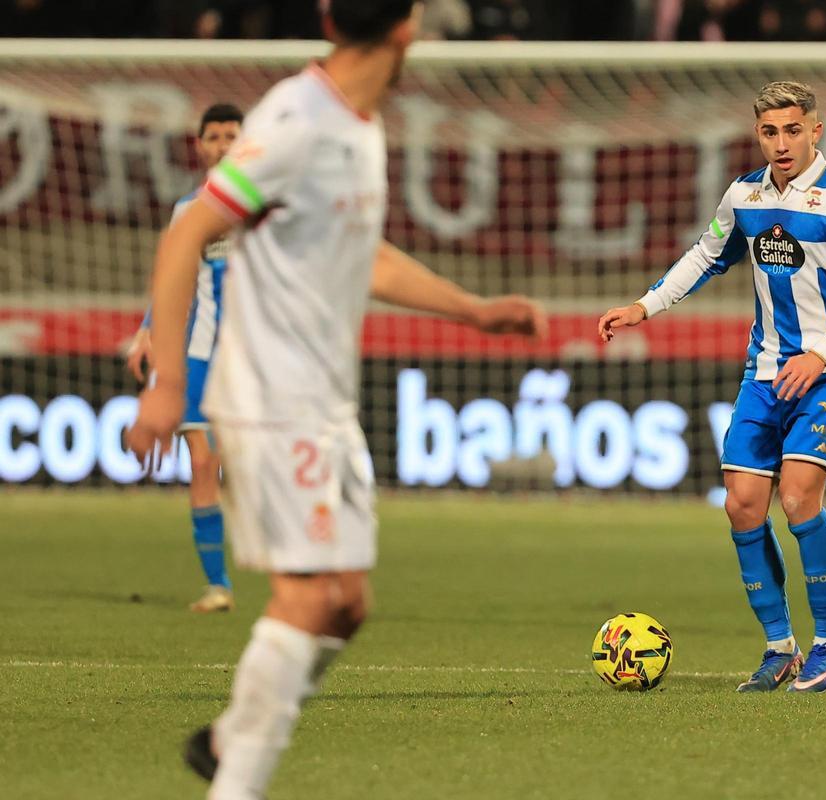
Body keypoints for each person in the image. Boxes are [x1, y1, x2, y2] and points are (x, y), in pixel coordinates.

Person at [127, 1, 547, 796]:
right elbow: (187, 234)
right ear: (406, 29)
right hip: (272, 398)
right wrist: (167, 387)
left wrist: (474, 310)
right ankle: (236, 782)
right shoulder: (296, 116)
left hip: (324, 401)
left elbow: (366, 254)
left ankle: (228, 739)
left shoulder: (359, 124)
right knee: (308, 595)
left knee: (347, 605)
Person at [598, 81, 826, 693]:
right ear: (757, 133)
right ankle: (780, 647)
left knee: (799, 498)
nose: (781, 143)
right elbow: (706, 255)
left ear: (816, 129)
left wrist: (823, 351)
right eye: (768, 132)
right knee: (741, 504)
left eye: (792, 130)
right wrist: (644, 306)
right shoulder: (744, 195)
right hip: (765, 371)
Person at [126, 103, 242, 613]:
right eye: (213, 136)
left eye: (231, 135)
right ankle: (218, 585)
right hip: (200, 353)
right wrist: (149, 330)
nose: (222, 145)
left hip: (256, 357)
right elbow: (174, 281)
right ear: (200, 145)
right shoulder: (187, 211)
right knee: (202, 462)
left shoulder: (267, 206)